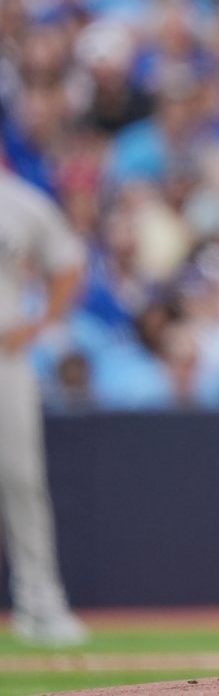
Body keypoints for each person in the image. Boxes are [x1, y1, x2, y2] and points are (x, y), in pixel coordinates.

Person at [0, 167, 89, 646]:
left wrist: (39, 323)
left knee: (21, 479)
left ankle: (39, 601)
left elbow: (68, 261)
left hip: (4, 356)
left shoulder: (18, 200)